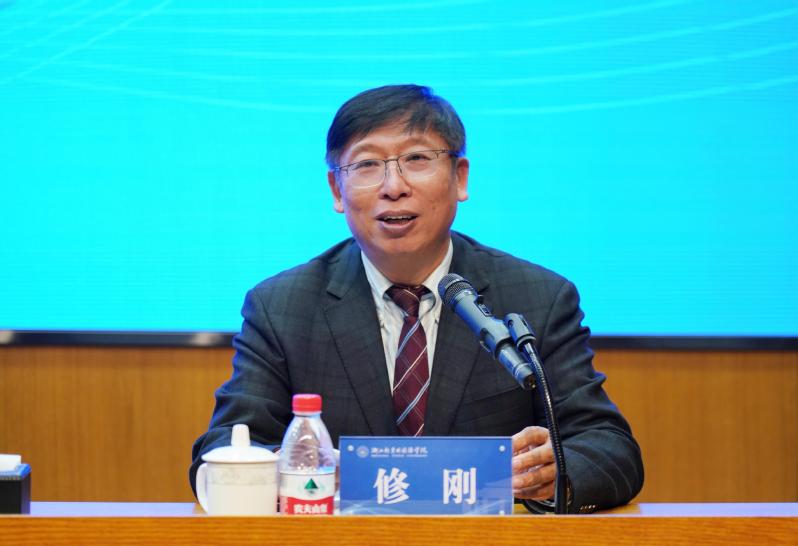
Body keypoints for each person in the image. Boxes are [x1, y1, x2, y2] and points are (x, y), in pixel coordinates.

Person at [191, 84, 643, 513]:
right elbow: (225, 448)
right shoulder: (282, 307)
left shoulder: (537, 298)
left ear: (460, 177)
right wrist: (306, 470)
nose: (394, 186)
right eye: (367, 164)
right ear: (336, 190)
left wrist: (552, 471)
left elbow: (610, 450)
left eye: (417, 159)